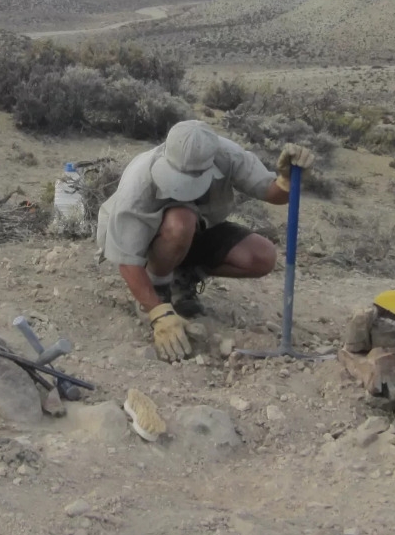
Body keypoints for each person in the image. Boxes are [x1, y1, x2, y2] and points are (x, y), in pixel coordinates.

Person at [96, 120, 315, 362]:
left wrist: (287, 180)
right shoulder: (139, 180)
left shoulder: (228, 155)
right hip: (150, 241)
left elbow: (272, 193)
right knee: (181, 220)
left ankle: (182, 280)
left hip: (197, 231)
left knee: (262, 257)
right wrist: (158, 312)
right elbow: (127, 257)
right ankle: (158, 288)